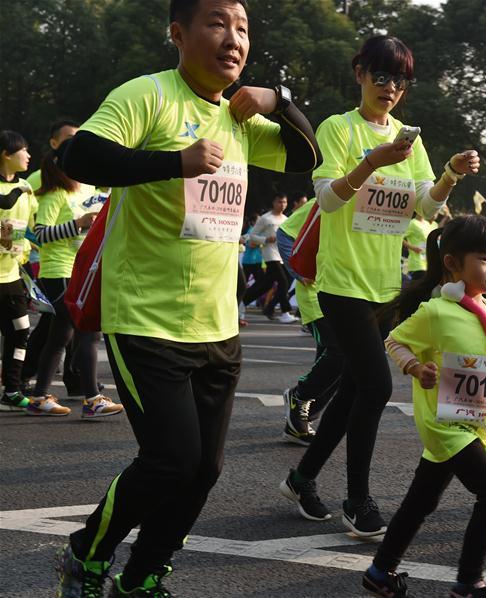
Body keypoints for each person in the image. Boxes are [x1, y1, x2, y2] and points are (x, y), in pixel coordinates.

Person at [54, 0, 321, 595]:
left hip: (218, 323)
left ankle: (143, 576)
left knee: (204, 469)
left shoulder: (242, 119)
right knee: (169, 459)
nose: (233, 39)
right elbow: (78, 155)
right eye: (218, 24)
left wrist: (279, 100)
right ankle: (87, 553)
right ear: (179, 33)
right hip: (146, 317)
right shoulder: (146, 94)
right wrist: (176, 161)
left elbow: (308, 158)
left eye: (243, 29)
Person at [278, 34, 479, 537]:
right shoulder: (338, 129)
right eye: (381, 76)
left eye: (401, 81)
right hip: (341, 282)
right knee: (377, 384)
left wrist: (450, 174)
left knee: (352, 390)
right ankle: (357, 500)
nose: (391, 89)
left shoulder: (408, 138)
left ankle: (302, 479)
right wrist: (373, 162)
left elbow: (427, 209)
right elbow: (326, 200)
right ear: (360, 74)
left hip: (386, 285)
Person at [363, 215, 486, 598]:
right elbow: (395, 341)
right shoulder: (437, 312)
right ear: (453, 263)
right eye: (484, 259)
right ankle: (469, 581)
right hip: (445, 424)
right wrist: (416, 367)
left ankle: (379, 571)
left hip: (477, 423)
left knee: (421, 501)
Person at [27, 139, 124, 419]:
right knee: (86, 332)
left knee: (62, 335)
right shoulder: (54, 194)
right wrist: (78, 224)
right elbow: (41, 234)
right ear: (63, 162)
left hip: (86, 269)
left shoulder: (93, 190)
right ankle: (92, 398)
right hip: (58, 271)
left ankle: (40, 396)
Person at [22, 120, 85, 394]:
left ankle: (74, 382)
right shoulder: (40, 180)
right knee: (57, 327)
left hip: (77, 264)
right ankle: (26, 379)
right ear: (54, 144)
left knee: (69, 327)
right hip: (44, 261)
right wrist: (32, 246)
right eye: (69, 138)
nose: (75, 143)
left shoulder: (83, 181)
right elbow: (30, 223)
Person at [275, 198, 344, 446]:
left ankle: (301, 419)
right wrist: (297, 271)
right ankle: (299, 398)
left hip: (347, 293)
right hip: (317, 293)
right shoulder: (330, 197)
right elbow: (284, 233)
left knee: (332, 362)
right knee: (340, 353)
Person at [0, 130, 37, 413]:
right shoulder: (17, 190)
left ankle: (12, 390)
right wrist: (16, 191)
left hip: (12, 276)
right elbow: (5, 203)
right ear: (6, 155)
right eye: (22, 150)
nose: (28, 155)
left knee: (21, 330)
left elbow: (31, 228)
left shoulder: (26, 188)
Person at [241, 193, 297, 322]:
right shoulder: (266, 218)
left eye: (284, 202)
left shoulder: (285, 219)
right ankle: (285, 312)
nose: (282, 205)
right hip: (270, 255)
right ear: (273, 202)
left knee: (266, 284)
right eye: (279, 202)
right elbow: (252, 235)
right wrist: (266, 239)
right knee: (283, 282)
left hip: (281, 255)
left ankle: (243, 301)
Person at [403, 212, 436, 281]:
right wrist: (412, 247)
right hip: (417, 264)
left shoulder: (427, 224)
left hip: (428, 263)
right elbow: (400, 238)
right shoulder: (412, 223)